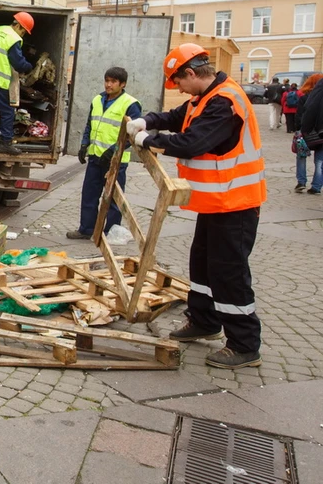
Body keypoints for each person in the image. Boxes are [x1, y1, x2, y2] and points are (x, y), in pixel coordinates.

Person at [126, 44, 265, 369]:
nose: (177, 89)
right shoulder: (203, 99)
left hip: (237, 204)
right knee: (202, 264)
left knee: (228, 272)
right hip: (216, 202)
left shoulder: (224, 103)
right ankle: (204, 320)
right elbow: (175, 117)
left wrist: (151, 140)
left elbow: (194, 141)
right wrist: (146, 121)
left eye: (177, 82)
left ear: (190, 73)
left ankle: (245, 344)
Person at [66, 67, 142, 240]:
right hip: (95, 157)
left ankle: (111, 232)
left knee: (114, 198)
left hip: (116, 161)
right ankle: (86, 229)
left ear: (122, 84)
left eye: (113, 81)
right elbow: (90, 125)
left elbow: (133, 135)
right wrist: (84, 144)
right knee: (89, 195)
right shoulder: (98, 99)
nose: (109, 84)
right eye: (107, 80)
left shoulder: (130, 104)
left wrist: (115, 151)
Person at [0, 12, 35, 155]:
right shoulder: (13, 38)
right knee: (7, 112)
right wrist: (29, 67)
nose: (22, 35)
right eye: (23, 31)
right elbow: (18, 63)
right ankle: (5, 143)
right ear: (18, 26)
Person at [295, 73, 323, 195]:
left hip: (306, 131)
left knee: (301, 156)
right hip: (321, 133)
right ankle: (316, 186)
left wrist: (299, 130)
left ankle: (301, 181)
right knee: (320, 160)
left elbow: (300, 115)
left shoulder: (304, 97)